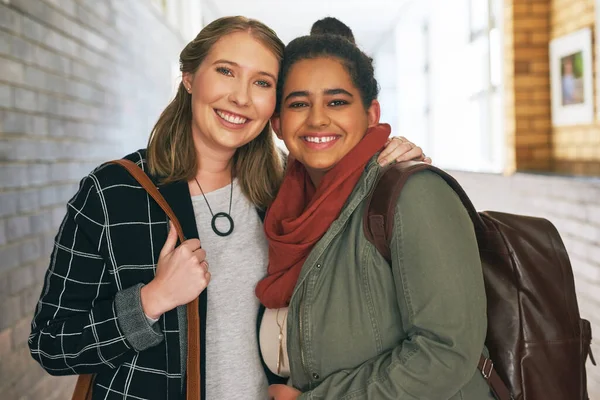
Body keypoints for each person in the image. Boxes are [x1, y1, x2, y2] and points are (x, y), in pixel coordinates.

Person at [28, 16, 428, 400]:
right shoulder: (114, 191)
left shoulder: (286, 190)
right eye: (225, 71)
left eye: (262, 82)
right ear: (188, 77)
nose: (240, 96)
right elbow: (50, 343)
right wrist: (152, 300)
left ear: (274, 103)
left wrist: (393, 162)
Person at [257, 20, 493, 400]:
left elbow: (447, 350)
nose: (317, 118)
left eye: (337, 102)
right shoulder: (281, 210)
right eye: (299, 103)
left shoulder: (413, 193)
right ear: (278, 124)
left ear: (371, 114)